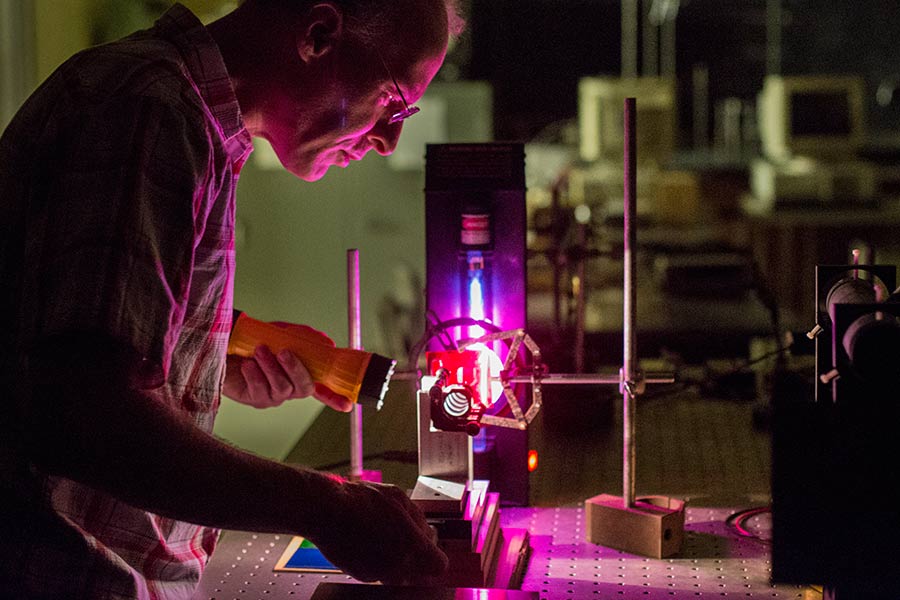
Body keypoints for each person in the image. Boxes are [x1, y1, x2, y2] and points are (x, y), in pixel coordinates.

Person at [0, 0, 463, 597]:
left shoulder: (190, 121)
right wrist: (324, 505)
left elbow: (66, 332)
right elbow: (81, 414)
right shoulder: (149, 109)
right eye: (392, 102)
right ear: (318, 34)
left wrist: (205, 364)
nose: (389, 139)